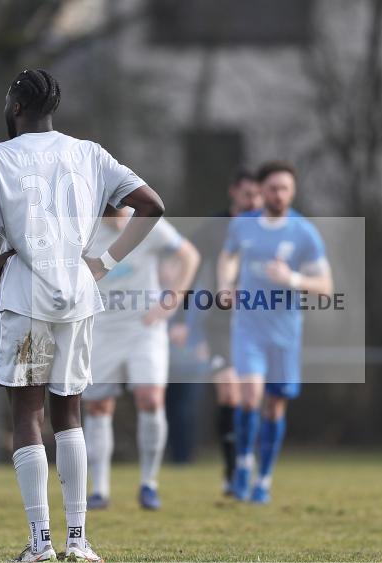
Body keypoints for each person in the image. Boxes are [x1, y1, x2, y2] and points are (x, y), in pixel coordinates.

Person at [0, 68, 163, 562]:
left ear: (16, 106)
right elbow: (151, 204)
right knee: (70, 413)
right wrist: (103, 262)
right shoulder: (89, 152)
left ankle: (40, 541)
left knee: (27, 413)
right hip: (78, 297)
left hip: (26, 298)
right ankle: (78, 539)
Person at [218, 161, 333, 503]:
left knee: (274, 407)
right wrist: (225, 285)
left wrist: (292, 279)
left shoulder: (304, 233)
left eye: (284, 188)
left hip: (284, 332)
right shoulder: (243, 225)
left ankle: (263, 480)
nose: (278, 194)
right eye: (272, 188)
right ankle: (242, 465)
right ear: (262, 190)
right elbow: (228, 258)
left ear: (292, 191)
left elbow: (326, 287)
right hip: (248, 327)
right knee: (250, 394)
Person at [81, 208, 199, 511]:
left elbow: (189, 256)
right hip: (101, 329)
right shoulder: (83, 226)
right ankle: (100, 490)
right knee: (98, 405)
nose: (118, 211)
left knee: (150, 398)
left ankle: (149, 484)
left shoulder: (145, 223)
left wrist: (169, 304)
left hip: (144, 327)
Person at [189, 167, 262, 494]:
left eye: (258, 195)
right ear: (234, 192)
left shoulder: (266, 228)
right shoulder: (214, 228)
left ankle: (246, 462)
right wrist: (180, 319)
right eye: (248, 194)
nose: (254, 201)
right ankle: (232, 470)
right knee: (229, 393)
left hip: (257, 323)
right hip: (219, 325)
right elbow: (188, 266)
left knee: (251, 397)